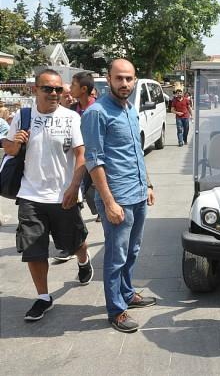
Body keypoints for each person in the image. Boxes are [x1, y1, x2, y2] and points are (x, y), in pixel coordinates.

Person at [4, 68, 93, 321]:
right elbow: (9, 150)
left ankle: (84, 261)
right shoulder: (22, 117)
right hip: (31, 195)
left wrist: (74, 187)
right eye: (47, 89)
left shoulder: (71, 117)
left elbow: (81, 154)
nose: (54, 93)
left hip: (63, 195)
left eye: (58, 89)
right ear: (35, 90)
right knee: (34, 249)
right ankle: (43, 297)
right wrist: (16, 143)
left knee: (75, 241)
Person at [81, 59, 157, 333]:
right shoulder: (97, 113)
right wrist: (109, 202)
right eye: (119, 78)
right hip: (117, 197)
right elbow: (94, 160)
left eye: (129, 78)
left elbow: (136, 151)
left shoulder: (129, 109)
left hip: (136, 192)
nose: (124, 83)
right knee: (115, 255)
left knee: (132, 250)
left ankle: (126, 293)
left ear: (135, 80)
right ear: (109, 79)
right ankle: (116, 310)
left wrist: (147, 184)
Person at [54, 71, 99, 262]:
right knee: (73, 199)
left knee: (94, 196)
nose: (69, 90)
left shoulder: (98, 109)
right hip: (78, 163)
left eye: (72, 85)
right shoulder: (71, 110)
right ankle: (73, 243)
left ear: (84, 89)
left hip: (96, 163)